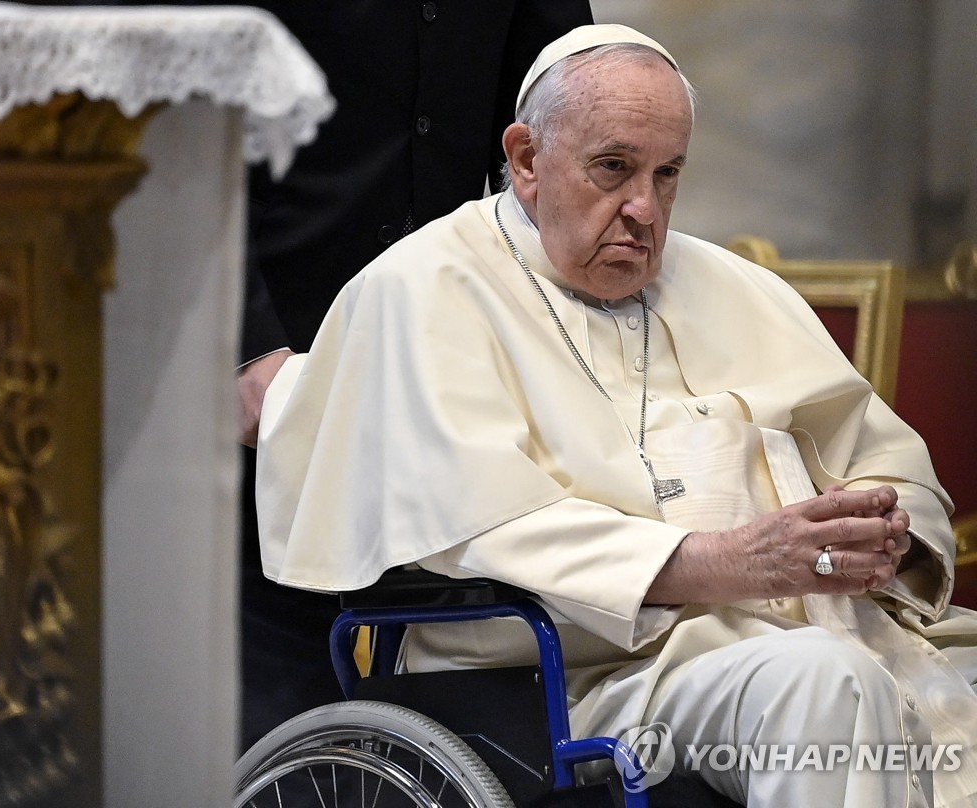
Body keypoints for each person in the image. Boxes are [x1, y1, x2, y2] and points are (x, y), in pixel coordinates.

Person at [254, 23, 977, 807]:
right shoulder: (424, 288)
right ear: (528, 159)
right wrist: (728, 560)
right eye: (614, 169)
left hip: (813, 633)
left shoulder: (737, 286)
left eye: (667, 175)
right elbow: (492, 528)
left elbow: (890, 465)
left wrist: (879, 533)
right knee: (820, 684)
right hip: (586, 676)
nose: (644, 208)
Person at [226, 1, 595, 750]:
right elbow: (183, 140)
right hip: (272, 368)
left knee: (461, 722)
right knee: (279, 730)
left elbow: (565, 115)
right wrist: (243, 347)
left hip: (448, 381)